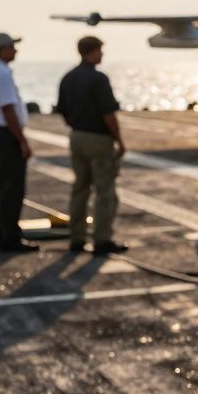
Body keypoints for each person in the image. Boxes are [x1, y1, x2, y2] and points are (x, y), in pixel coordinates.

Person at [57, 36, 128, 255]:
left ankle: (77, 239)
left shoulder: (68, 77)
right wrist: (119, 140)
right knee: (105, 190)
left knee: (80, 188)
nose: (102, 54)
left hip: (76, 137)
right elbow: (108, 114)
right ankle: (102, 239)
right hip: (98, 139)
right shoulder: (98, 79)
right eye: (100, 50)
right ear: (93, 51)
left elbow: (62, 109)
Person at [0, 32, 37, 252]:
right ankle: (10, 239)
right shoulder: (2, 74)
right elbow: (8, 109)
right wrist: (22, 140)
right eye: (12, 46)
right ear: (3, 49)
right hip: (5, 134)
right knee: (12, 188)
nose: (15, 50)